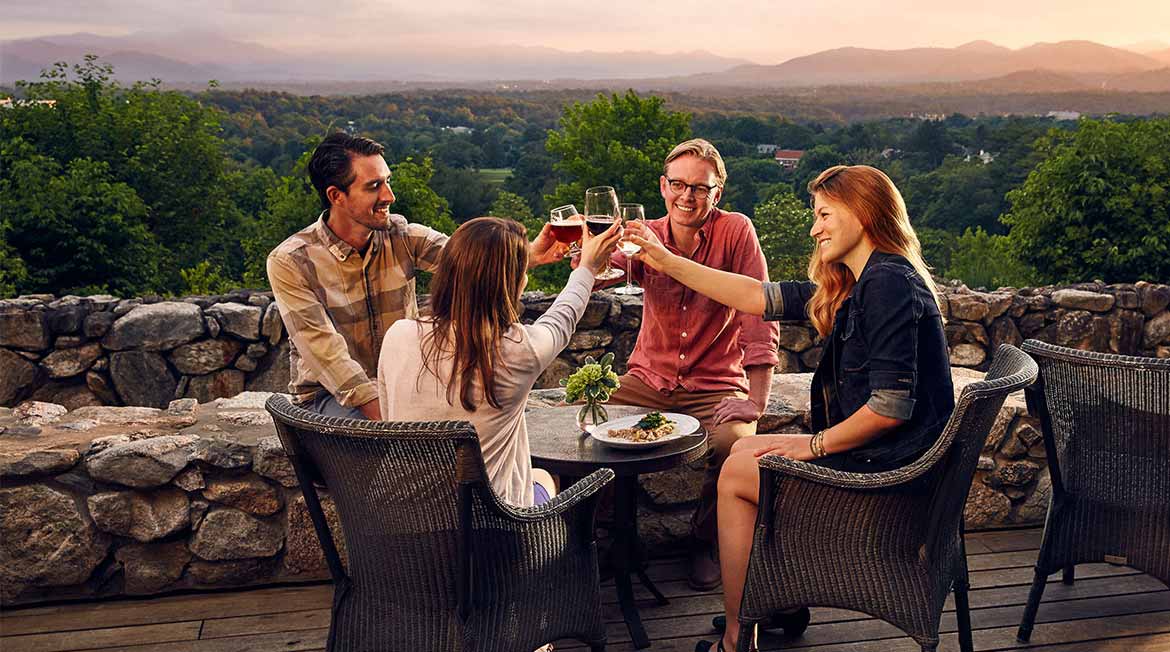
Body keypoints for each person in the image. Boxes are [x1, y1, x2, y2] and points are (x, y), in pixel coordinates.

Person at [625, 165, 955, 652]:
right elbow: (755, 296)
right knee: (745, 452)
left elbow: (889, 408)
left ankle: (737, 638)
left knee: (737, 474)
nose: (814, 227)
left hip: (890, 481)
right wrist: (666, 259)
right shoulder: (860, 280)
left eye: (824, 214)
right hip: (883, 461)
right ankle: (769, 602)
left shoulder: (888, 284)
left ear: (862, 215)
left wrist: (810, 444)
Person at [582, 138, 781, 590]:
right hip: (648, 378)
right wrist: (586, 255)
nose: (687, 196)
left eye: (700, 188)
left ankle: (706, 540)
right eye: (678, 184)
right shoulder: (641, 231)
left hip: (716, 384)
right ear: (663, 185)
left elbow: (758, 311)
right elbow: (602, 270)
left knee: (734, 446)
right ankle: (609, 538)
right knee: (584, 431)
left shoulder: (736, 232)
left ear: (717, 193)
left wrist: (758, 399)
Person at [268, 133, 568, 421]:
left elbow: (476, 264)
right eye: (374, 186)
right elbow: (327, 357)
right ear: (336, 196)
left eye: (387, 182)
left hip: (404, 390)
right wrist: (402, 426)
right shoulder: (292, 261)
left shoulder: (403, 237)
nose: (389, 195)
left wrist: (528, 254)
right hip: (332, 399)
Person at [377, 216, 622, 507]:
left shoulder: (398, 336)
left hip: (402, 538)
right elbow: (562, 317)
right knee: (543, 477)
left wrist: (523, 258)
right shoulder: (517, 349)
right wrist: (588, 268)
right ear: (512, 283)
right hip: (494, 541)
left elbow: (386, 412)